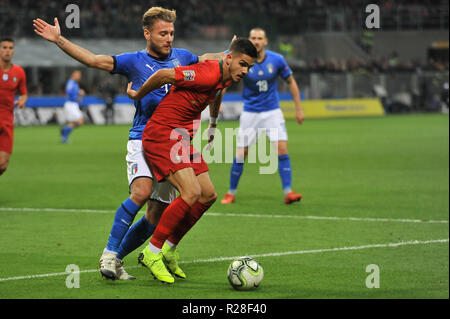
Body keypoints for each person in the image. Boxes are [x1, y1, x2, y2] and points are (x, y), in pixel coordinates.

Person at [33, 7, 230, 280]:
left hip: (174, 143)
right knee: (141, 191)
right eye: (163, 33)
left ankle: (118, 260)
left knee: (155, 216)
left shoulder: (183, 57)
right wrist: (59, 40)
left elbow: (210, 59)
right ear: (147, 33)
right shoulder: (133, 62)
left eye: (172, 33)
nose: (169, 38)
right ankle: (109, 253)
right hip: (143, 137)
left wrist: (233, 54)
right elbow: (93, 60)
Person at [126, 38, 257, 284]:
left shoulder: (227, 76)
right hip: (161, 134)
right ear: (229, 58)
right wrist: (137, 94)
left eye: (249, 67)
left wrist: (214, 122)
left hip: (181, 139)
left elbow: (218, 91)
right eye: (242, 64)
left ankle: (168, 248)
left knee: (207, 194)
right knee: (190, 192)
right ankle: (152, 252)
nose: (245, 71)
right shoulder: (206, 73)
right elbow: (165, 75)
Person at [220, 27, 304, 205]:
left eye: (259, 38)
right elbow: (226, 79)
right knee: (241, 153)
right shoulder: (242, 60)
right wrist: (218, 102)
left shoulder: (277, 60)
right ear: (249, 40)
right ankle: (231, 192)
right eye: (253, 38)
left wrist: (299, 109)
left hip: (272, 111)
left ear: (265, 41)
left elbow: (291, 82)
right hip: (250, 112)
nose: (256, 41)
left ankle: (288, 192)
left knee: (281, 149)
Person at [0, 37, 27, 176]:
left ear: (13, 51)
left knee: (3, 165)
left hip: (6, 121)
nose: (7, 51)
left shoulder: (19, 72)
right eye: (4, 47)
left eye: (10, 48)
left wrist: (22, 100)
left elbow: (23, 93)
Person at [60, 70, 85, 143]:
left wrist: (80, 95)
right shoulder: (71, 82)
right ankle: (64, 131)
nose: (79, 77)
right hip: (71, 104)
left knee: (72, 123)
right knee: (80, 121)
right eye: (78, 75)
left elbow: (78, 97)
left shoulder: (75, 83)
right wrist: (79, 92)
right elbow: (69, 91)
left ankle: (64, 136)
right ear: (73, 75)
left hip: (74, 104)